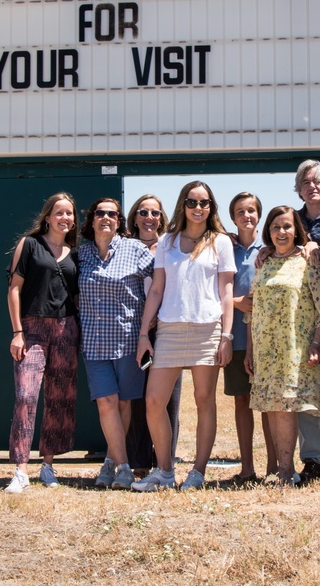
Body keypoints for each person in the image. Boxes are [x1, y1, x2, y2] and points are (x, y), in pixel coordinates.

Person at [132, 181, 236, 491]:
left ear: (211, 208)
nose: (198, 208)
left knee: (204, 401)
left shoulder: (221, 242)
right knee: (153, 401)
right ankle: (165, 472)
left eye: (204, 203)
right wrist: (143, 334)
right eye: (192, 202)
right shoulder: (167, 242)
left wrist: (226, 336)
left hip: (207, 329)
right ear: (183, 205)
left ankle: (198, 472)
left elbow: (227, 292)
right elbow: (157, 290)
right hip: (169, 329)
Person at [246, 206, 320, 485]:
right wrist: (249, 351)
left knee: (286, 407)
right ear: (267, 231)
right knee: (273, 405)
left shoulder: (308, 260)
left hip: (294, 347)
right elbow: (253, 308)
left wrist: (316, 343)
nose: (281, 232)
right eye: (275, 227)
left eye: (286, 227)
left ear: (297, 229)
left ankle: (286, 471)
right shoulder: (264, 262)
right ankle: (284, 468)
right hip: (265, 348)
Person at [3, 192, 80, 493]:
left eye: (69, 214)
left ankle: (47, 465)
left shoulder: (75, 253)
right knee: (26, 395)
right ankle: (21, 469)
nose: (65, 218)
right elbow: (14, 290)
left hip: (66, 329)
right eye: (59, 213)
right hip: (32, 329)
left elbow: (75, 296)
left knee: (59, 399)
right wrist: (17, 332)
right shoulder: (29, 245)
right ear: (47, 216)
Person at [78, 198, 154, 490]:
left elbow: (161, 283)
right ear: (92, 218)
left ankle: (110, 464)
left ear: (119, 220)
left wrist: (152, 321)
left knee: (123, 404)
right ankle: (124, 467)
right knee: (106, 403)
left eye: (112, 214)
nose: (106, 218)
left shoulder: (135, 249)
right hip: (94, 343)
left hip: (129, 341)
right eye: (101, 213)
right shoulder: (81, 254)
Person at [123, 194, 183, 472]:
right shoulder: (122, 247)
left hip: (166, 330)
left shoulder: (172, 246)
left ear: (162, 218)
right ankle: (139, 462)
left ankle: (165, 462)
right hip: (133, 330)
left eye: (155, 213)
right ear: (134, 217)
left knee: (167, 398)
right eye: (143, 212)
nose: (149, 218)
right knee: (136, 397)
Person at [290, 159, 320, 483]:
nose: (312, 186)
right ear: (298, 188)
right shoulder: (290, 221)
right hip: (307, 317)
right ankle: (314, 460)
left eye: (318, 181)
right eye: (306, 182)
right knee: (305, 389)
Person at [226, 192, 274, 481]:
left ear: (259, 215)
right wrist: (235, 301)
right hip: (237, 338)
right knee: (242, 401)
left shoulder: (269, 248)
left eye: (252, 210)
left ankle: (273, 466)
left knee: (267, 403)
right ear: (233, 217)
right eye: (241, 211)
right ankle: (247, 468)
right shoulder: (224, 248)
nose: (247, 216)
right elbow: (212, 288)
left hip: (266, 339)